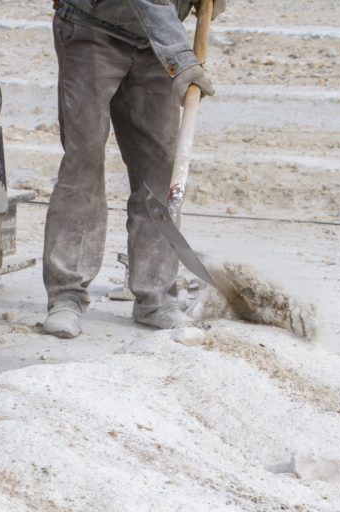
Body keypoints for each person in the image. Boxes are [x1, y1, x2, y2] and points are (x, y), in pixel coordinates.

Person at [43, 0, 225, 338]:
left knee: (160, 167)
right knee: (84, 159)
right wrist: (181, 58)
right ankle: (66, 295)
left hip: (153, 40)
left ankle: (155, 298)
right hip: (91, 27)